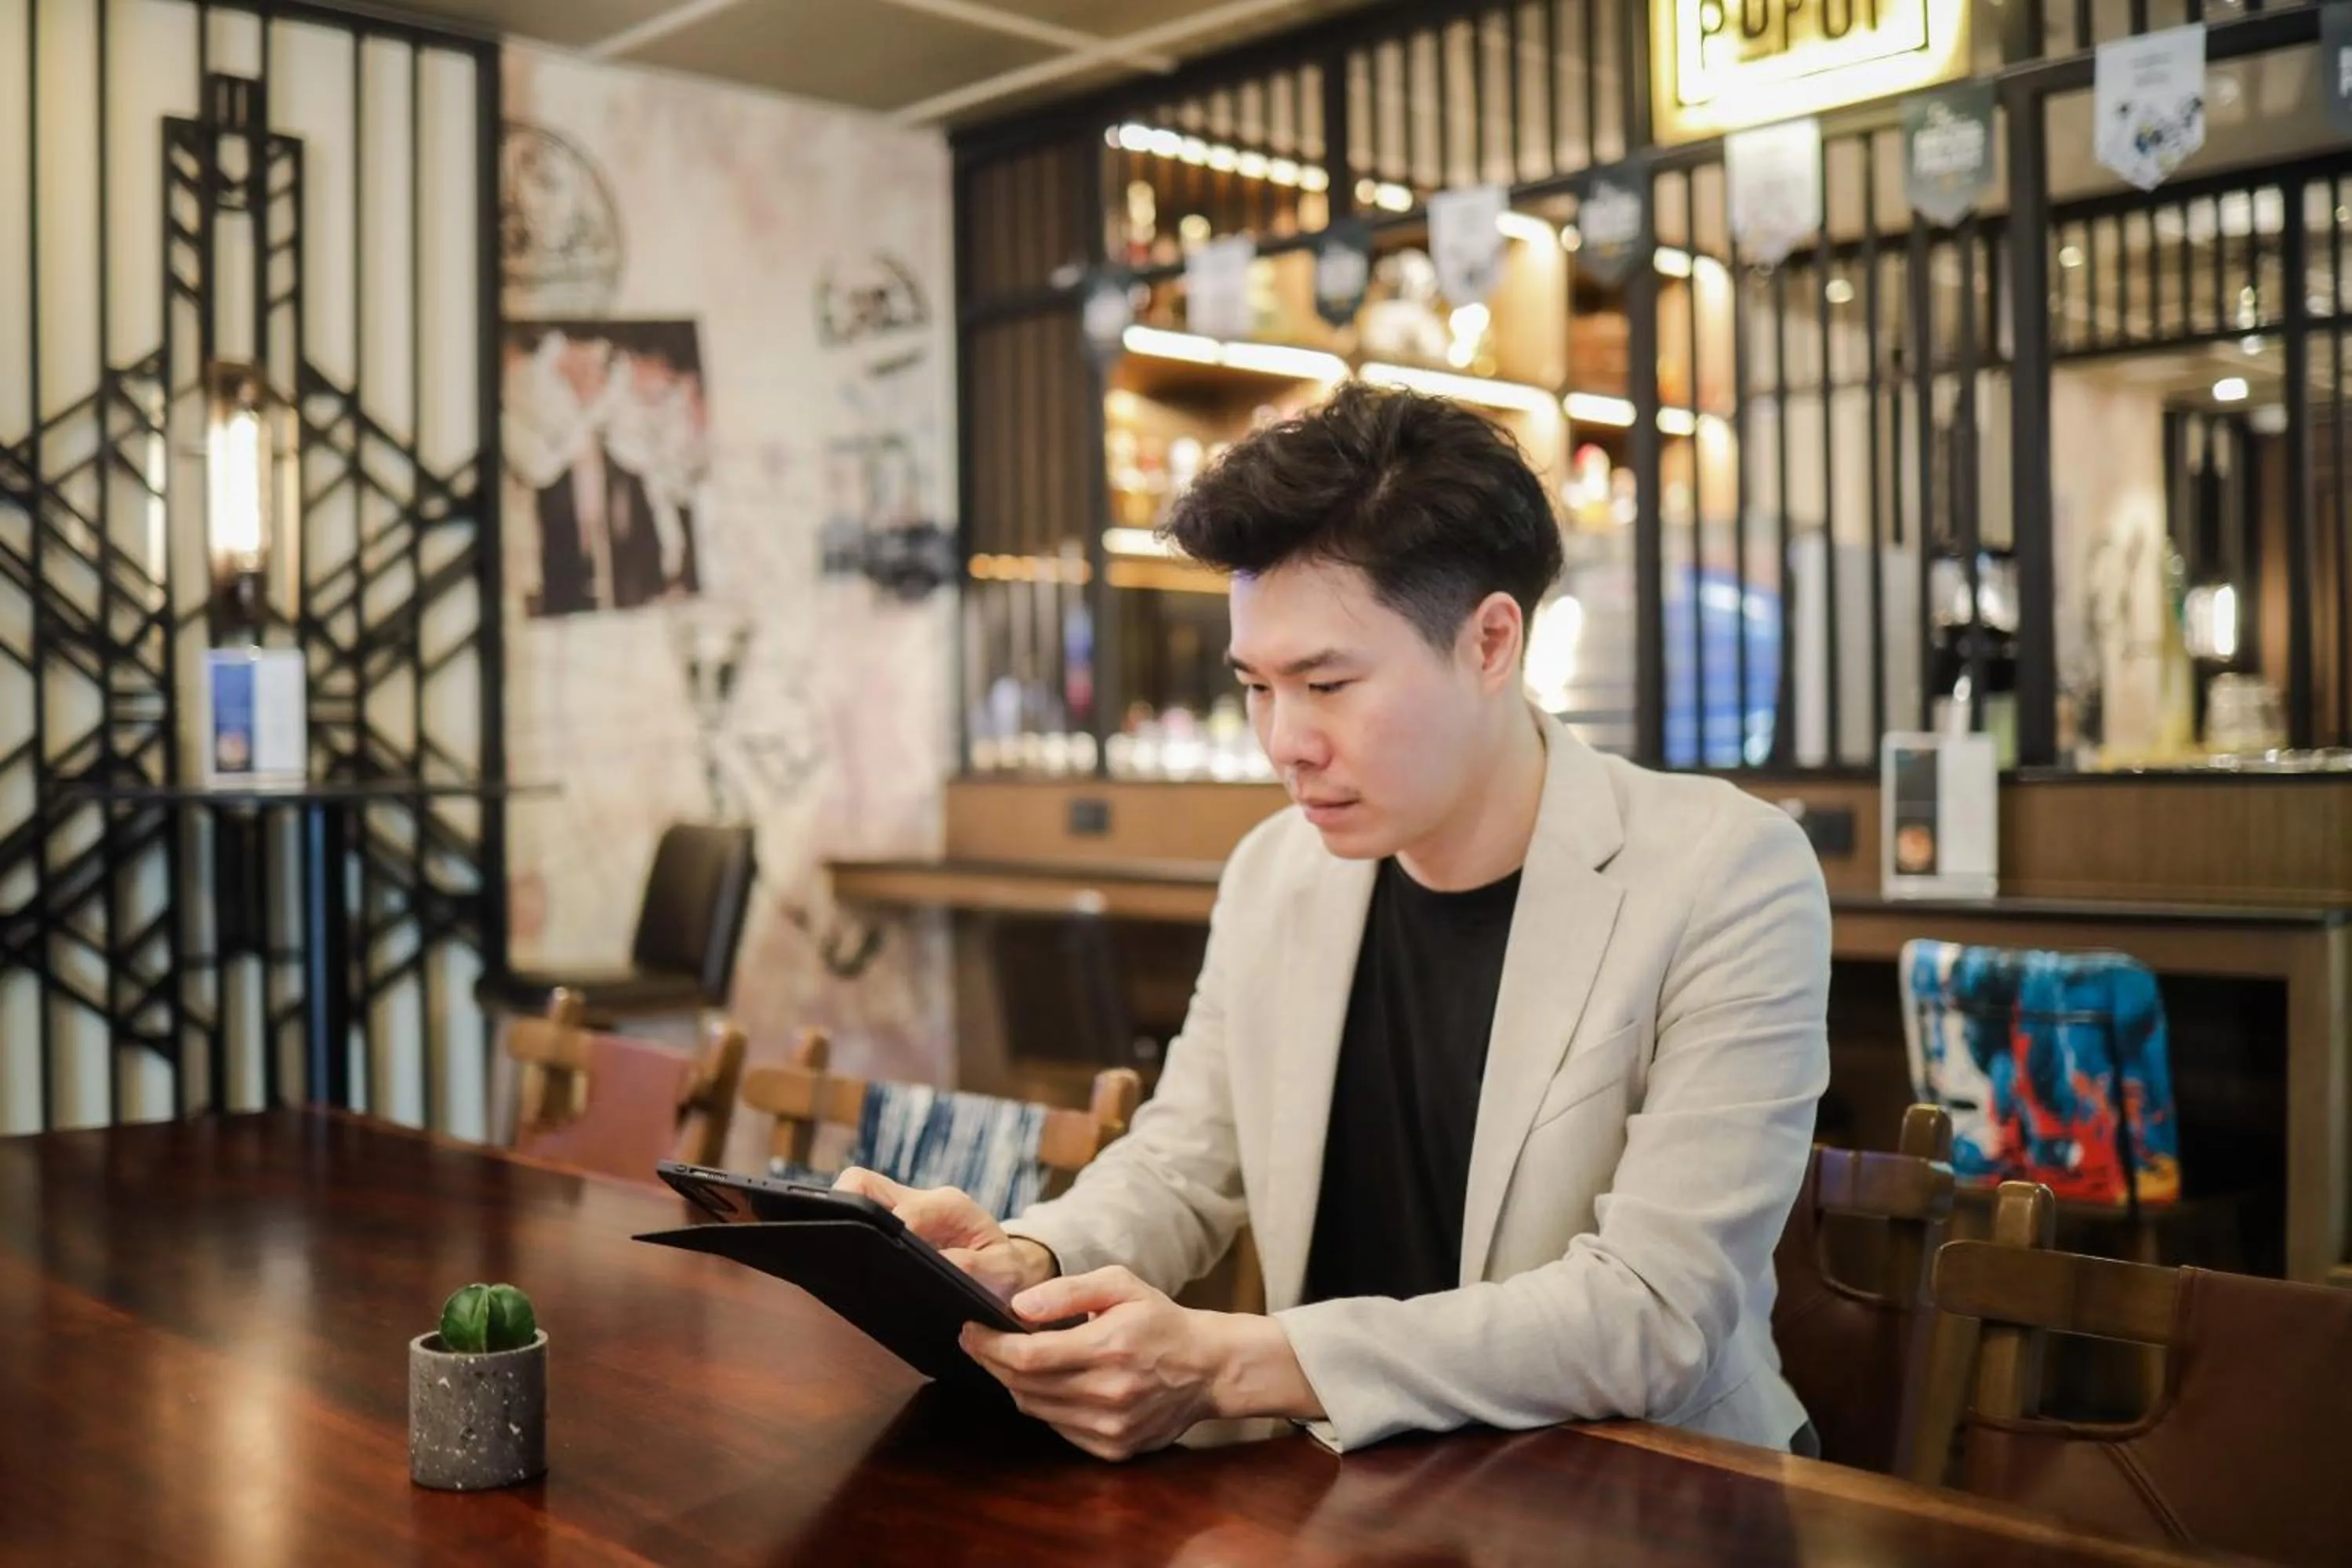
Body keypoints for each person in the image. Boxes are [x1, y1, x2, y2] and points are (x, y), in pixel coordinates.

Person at [838, 383, 1831, 1461]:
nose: (1285, 742)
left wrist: (1231, 1363)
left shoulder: (1725, 874)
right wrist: (1029, 1259)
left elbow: (1654, 1313)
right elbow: (1182, 1164)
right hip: (1350, 1486)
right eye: (1258, 687)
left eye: (1327, 682)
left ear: (1492, 642)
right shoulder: (1278, 872)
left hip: (1639, 1491)